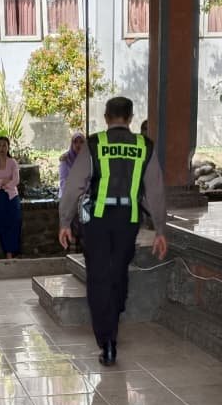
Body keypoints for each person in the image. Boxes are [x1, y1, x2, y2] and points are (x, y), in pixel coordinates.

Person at [58, 96, 169, 367]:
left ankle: (106, 341)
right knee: (118, 272)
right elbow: (154, 190)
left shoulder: (95, 144)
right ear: (130, 118)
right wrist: (160, 229)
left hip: (96, 221)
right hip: (127, 220)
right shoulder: (144, 146)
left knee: (98, 277)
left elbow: (74, 186)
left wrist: (64, 221)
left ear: (107, 117)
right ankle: (115, 311)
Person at [0, 135, 22, 258]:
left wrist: (6, 185)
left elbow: (16, 180)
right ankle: (6, 250)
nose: (2, 148)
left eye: (4, 145)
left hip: (12, 195)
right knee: (1, 223)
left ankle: (12, 251)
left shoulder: (13, 162)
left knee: (14, 222)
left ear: (8, 147)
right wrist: (3, 182)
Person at [58, 131, 86, 198]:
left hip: (84, 195)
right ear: (72, 144)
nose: (78, 145)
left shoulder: (88, 158)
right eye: (75, 142)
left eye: (81, 142)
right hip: (68, 195)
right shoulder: (65, 158)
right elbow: (63, 180)